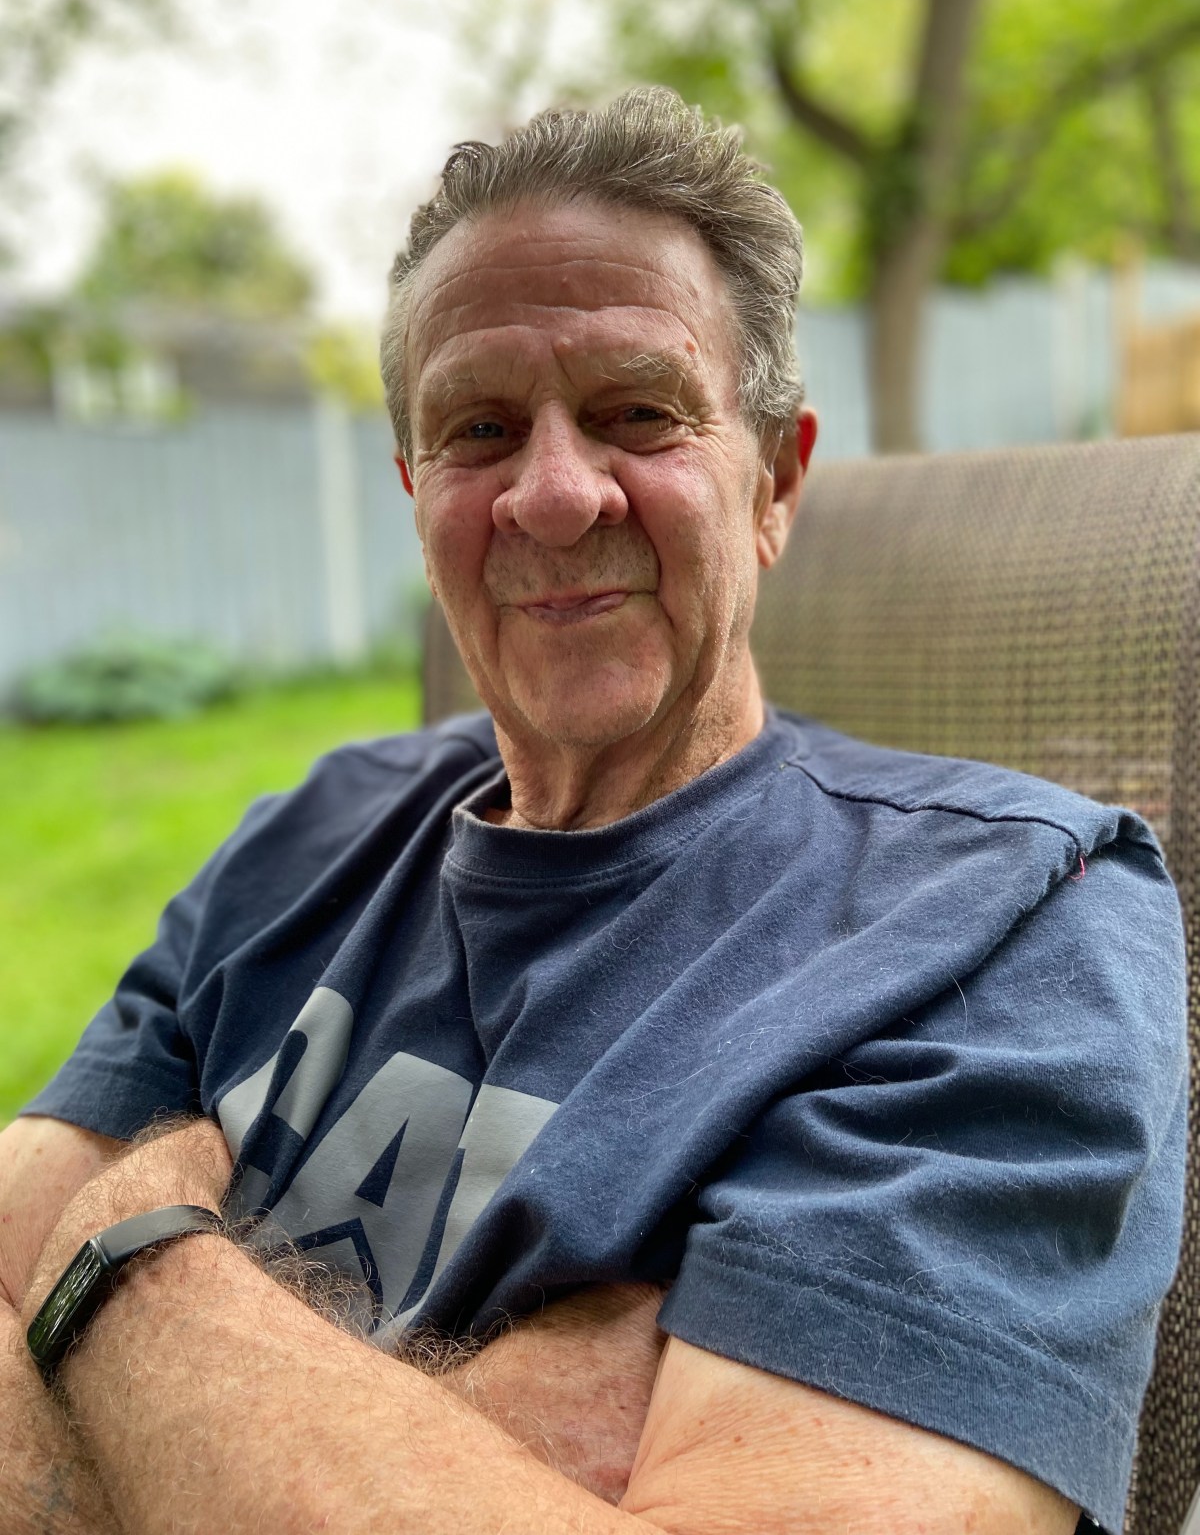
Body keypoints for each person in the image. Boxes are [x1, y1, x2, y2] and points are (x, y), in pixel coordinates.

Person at [0, 88, 1186, 1535]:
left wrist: (128, 1246)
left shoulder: (1004, 925)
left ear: (778, 481)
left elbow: (46, 1241)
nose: (553, 498)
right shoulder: (309, 832)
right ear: (417, 492)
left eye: (637, 412)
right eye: (481, 430)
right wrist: (488, 1437)